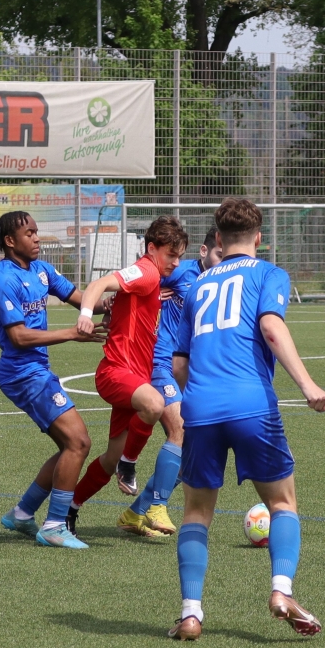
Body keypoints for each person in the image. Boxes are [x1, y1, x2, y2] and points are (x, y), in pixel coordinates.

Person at [172, 197, 325, 640]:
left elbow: (180, 363)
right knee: (282, 503)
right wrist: (308, 385)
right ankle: (281, 591)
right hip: (251, 405)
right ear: (259, 237)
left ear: (218, 239)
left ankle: (190, 614)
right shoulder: (268, 273)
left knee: (196, 512)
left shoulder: (197, 286)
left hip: (200, 409)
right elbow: (271, 327)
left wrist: (199, 399)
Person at [67, 216, 190, 539]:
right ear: (152, 249)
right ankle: (129, 463)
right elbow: (99, 284)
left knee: (108, 460)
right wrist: (85, 315)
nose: (175, 263)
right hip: (115, 373)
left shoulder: (154, 280)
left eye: (179, 257)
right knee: (154, 403)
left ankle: (69, 508)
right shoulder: (147, 271)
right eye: (170, 255)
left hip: (133, 379)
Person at [0, 211, 99, 550]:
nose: (37, 238)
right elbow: (19, 337)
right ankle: (53, 526)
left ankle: (22, 513)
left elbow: (83, 299)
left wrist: (119, 299)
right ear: (10, 241)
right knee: (79, 442)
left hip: (37, 371)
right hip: (23, 374)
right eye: (29, 233)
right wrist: (72, 333)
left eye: (37, 232)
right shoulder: (3, 280)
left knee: (70, 446)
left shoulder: (42, 270)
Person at [125, 227, 213, 535]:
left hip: (190, 369)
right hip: (160, 361)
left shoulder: (224, 281)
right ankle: (157, 506)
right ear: (205, 251)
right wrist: (152, 292)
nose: (224, 259)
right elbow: (137, 279)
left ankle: (135, 513)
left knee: (193, 450)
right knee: (180, 429)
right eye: (219, 253)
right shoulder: (181, 271)